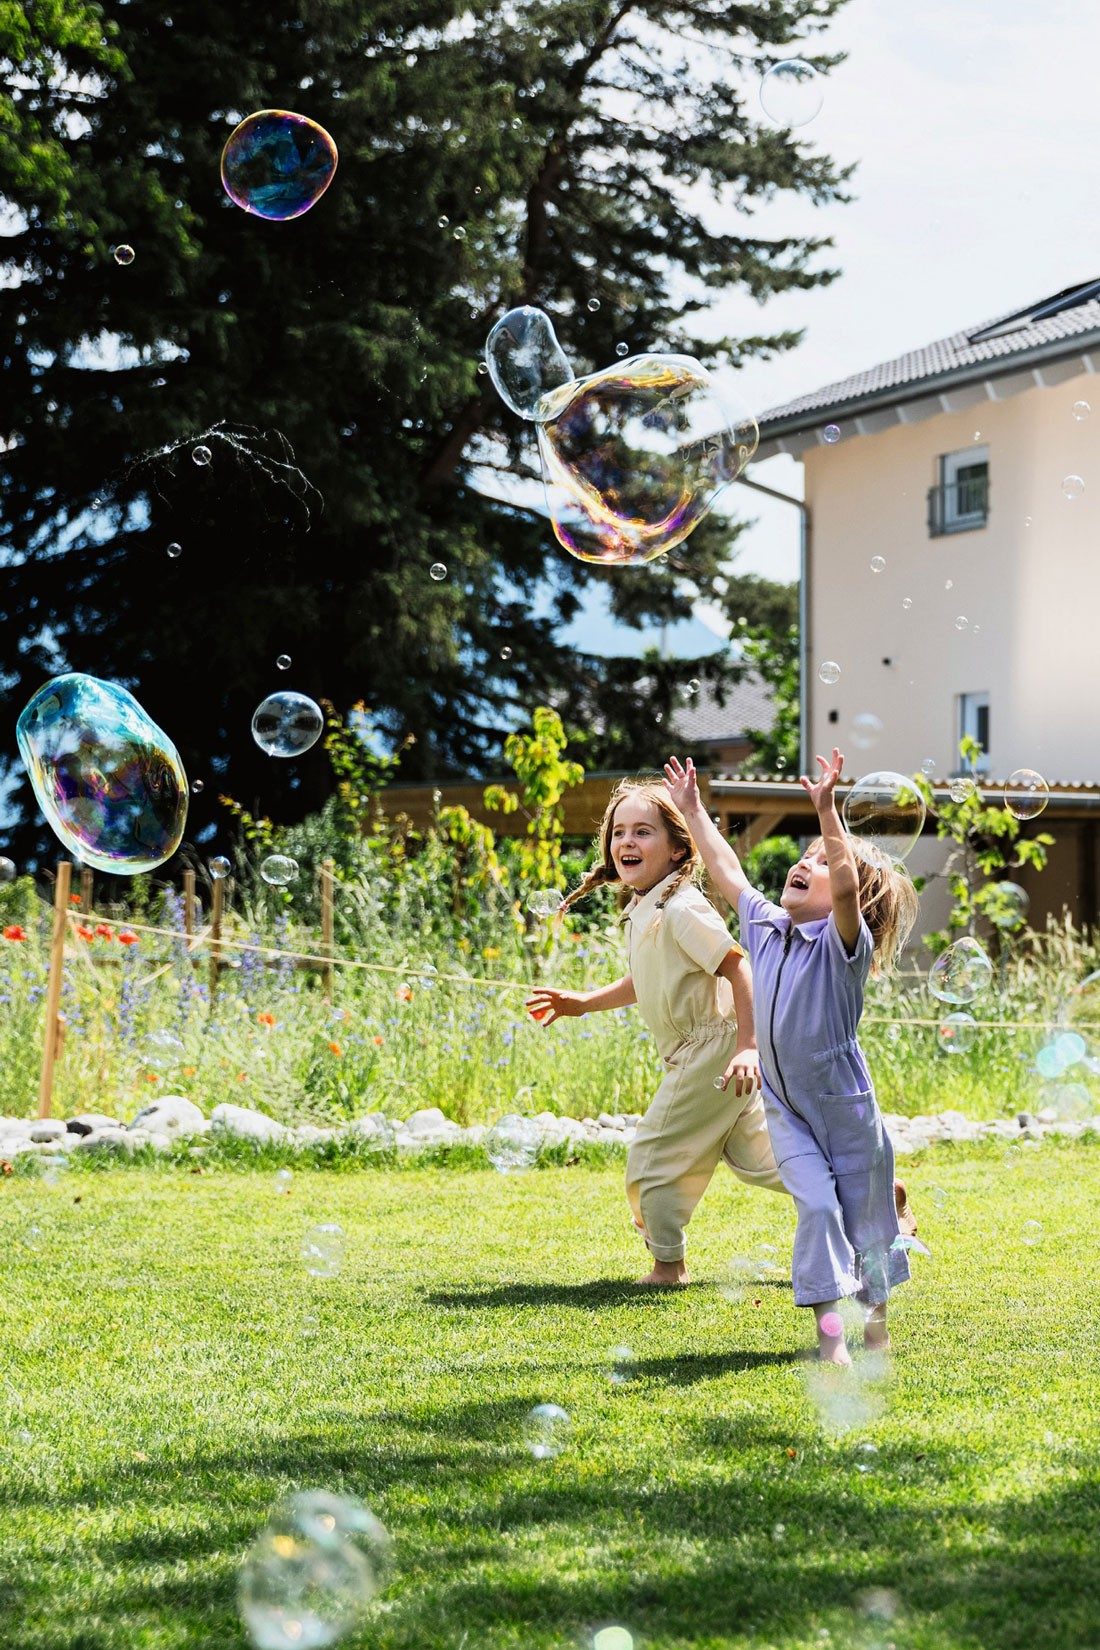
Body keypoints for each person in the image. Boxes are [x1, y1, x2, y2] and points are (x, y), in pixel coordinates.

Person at [664, 750, 919, 1362]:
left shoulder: (841, 946)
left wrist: (827, 811)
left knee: (868, 1218)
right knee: (817, 1207)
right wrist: (695, 814)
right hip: (788, 1110)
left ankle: (877, 1316)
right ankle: (830, 1335)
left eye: (819, 862)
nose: (805, 864)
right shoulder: (764, 924)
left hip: (846, 1109)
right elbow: (727, 871)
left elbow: (849, 884)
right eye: (802, 858)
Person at [526, 778, 788, 1286]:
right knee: (762, 1161)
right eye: (619, 831)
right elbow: (649, 978)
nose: (627, 842)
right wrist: (584, 1003)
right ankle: (870, 1190)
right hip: (711, 1052)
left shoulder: (682, 907)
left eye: (643, 831)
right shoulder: (648, 906)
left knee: (652, 1155)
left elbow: (739, 967)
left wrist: (749, 1047)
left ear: (677, 847)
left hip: (713, 1051)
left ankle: (669, 1264)